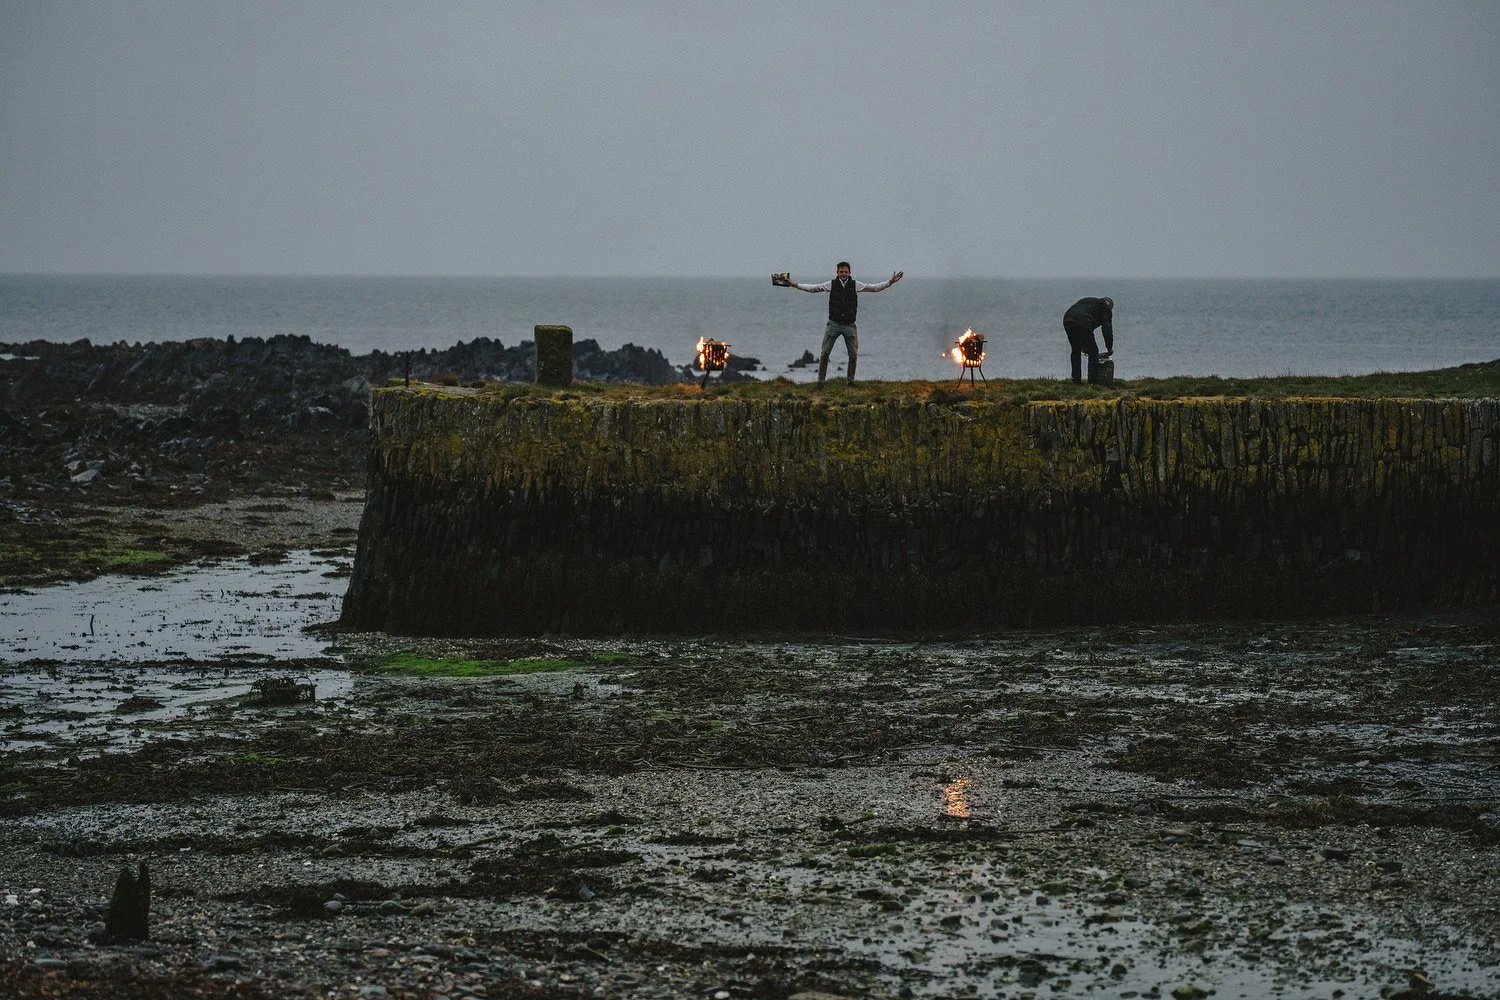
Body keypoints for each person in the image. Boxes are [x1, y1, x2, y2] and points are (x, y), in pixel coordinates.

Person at [781, 262, 903, 385]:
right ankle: (820, 381)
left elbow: (874, 288)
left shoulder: (855, 285)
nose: (843, 274)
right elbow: (813, 288)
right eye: (841, 272)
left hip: (849, 325)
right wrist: (794, 284)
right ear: (837, 273)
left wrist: (890, 282)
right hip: (833, 324)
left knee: (853, 355)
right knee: (824, 353)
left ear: (850, 273)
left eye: (845, 272)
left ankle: (850, 381)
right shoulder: (831, 284)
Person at [1063, 296, 1114, 384]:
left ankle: (1076, 381)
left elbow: (1084, 328)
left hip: (1068, 319)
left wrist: (1084, 345)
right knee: (1093, 352)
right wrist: (1109, 347)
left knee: (1076, 350)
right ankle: (1093, 382)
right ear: (1109, 306)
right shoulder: (1105, 308)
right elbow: (1107, 329)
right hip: (1082, 321)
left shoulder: (1091, 302)